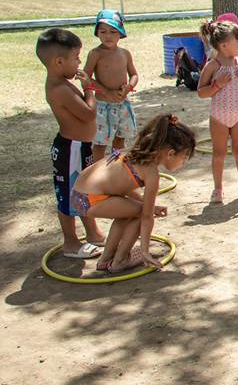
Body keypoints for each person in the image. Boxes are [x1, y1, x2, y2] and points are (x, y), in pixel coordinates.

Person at [72, 114, 195, 272]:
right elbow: (146, 216)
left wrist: (146, 206)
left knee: (130, 212)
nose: (182, 164)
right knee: (139, 212)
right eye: (183, 158)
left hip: (78, 195)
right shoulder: (151, 174)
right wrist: (145, 251)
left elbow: (126, 188)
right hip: (91, 200)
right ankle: (120, 260)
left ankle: (106, 258)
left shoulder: (133, 153)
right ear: (170, 153)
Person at [37, 28, 106, 259]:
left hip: (81, 146)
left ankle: (93, 232)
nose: (79, 62)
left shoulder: (62, 82)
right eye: (76, 57)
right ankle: (70, 242)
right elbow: (88, 114)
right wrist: (90, 89)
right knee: (68, 196)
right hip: (71, 149)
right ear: (58, 61)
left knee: (83, 191)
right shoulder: (59, 89)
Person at [198, 19, 238, 203]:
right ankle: (218, 188)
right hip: (219, 117)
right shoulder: (213, 66)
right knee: (219, 154)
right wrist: (217, 84)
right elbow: (201, 92)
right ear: (224, 45)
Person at [83, 10, 138, 162]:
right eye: (103, 31)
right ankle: (97, 173)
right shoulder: (95, 53)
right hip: (103, 106)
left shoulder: (125, 53)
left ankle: (115, 168)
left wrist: (129, 87)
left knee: (120, 139)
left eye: (113, 31)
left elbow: (134, 74)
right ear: (97, 33)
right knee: (100, 144)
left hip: (122, 105)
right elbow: (85, 77)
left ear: (120, 33)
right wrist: (105, 91)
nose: (108, 36)